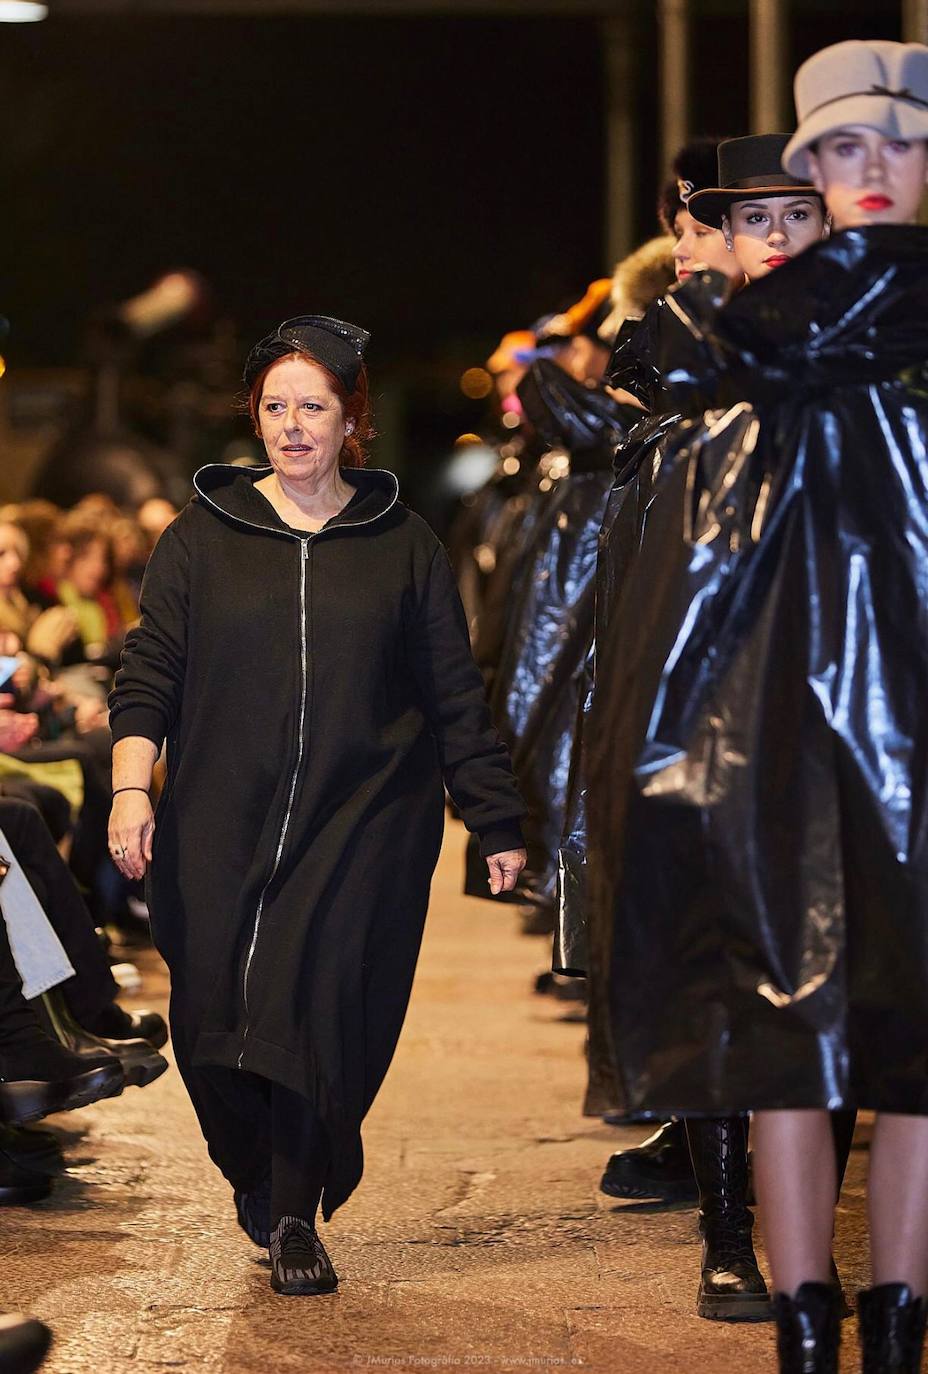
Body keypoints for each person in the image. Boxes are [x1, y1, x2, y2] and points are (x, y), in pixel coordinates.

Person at [585, 39, 928, 1371]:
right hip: (778, 732)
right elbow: (684, 581)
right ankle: (801, 1323)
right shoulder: (721, 346)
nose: (875, 169)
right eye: (845, 147)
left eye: (897, 141)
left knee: (912, 1041)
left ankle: (895, 1324)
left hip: (914, 729)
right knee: (791, 1028)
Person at [107, 314, 527, 1296]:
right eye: (276, 406)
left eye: (316, 407)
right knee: (210, 1019)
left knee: (311, 1008)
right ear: (254, 416)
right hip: (218, 814)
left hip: (364, 814)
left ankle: (294, 1208)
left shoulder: (403, 546)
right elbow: (148, 677)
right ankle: (251, 1167)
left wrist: (496, 819)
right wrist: (131, 789)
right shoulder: (198, 538)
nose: (293, 425)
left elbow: (452, 690)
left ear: (352, 422)